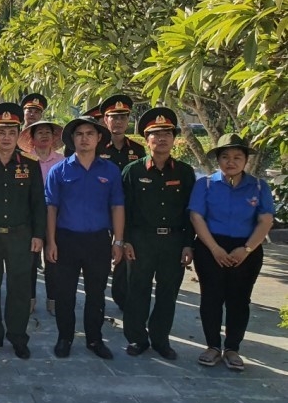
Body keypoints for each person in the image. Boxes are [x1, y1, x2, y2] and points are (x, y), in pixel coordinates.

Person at [189, 134, 274, 371]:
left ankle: (233, 348)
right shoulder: (205, 184)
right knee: (211, 297)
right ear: (218, 160)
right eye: (225, 157)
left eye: (237, 157)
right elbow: (196, 216)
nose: (231, 162)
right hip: (209, 247)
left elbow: (266, 220)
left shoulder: (258, 186)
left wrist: (246, 249)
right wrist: (214, 248)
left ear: (246, 160)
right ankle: (212, 346)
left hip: (247, 248)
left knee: (239, 300)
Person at [45, 116, 124, 360]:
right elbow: (51, 208)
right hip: (66, 239)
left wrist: (118, 241)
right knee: (65, 293)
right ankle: (65, 337)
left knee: (96, 293)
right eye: (79, 134)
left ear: (99, 138)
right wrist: (51, 241)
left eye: (90, 133)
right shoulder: (60, 170)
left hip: (98, 241)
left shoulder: (110, 171)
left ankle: (94, 339)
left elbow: (117, 206)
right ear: (72, 139)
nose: (85, 138)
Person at [0, 104, 46, 359]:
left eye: (11, 132)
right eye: (0, 132)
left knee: (20, 288)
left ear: (18, 134)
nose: (5, 137)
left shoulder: (30, 164)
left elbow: (38, 203)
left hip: (20, 235)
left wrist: (39, 235)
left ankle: (18, 337)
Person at [121, 108, 196, 360]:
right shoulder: (133, 171)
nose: (161, 138)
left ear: (174, 138)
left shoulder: (185, 172)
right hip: (141, 240)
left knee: (168, 293)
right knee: (137, 290)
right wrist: (125, 240)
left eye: (167, 133)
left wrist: (188, 244)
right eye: (156, 134)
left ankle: (161, 339)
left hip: (174, 242)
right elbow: (125, 210)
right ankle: (137, 338)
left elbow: (191, 212)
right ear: (146, 138)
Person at [99, 94, 146, 311]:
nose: (117, 122)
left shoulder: (137, 150)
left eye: (122, 117)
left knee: (124, 252)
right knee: (98, 255)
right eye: (112, 117)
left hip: (127, 210)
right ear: (105, 120)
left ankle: (121, 296)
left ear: (128, 120)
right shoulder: (97, 147)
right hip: (100, 209)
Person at [19, 120, 65, 315]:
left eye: (48, 132)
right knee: (29, 260)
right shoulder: (24, 161)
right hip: (31, 217)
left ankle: (53, 300)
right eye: (40, 133)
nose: (44, 136)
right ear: (32, 138)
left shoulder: (62, 161)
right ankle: (29, 299)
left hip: (56, 216)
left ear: (54, 137)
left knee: (53, 260)